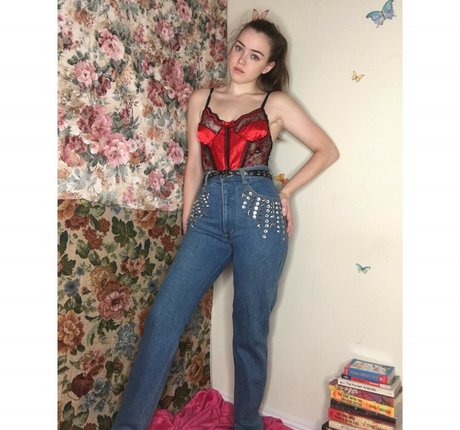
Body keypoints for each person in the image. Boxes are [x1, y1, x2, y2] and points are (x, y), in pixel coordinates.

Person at [113, 16, 339, 430]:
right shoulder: (201, 98)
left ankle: (246, 424)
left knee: (250, 330)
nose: (241, 60)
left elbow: (326, 150)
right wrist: (189, 218)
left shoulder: (276, 103)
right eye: (239, 48)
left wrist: (286, 193)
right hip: (207, 213)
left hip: (259, 214)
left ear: (268, 65)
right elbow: (194, 166)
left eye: (254, 56)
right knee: (163, 317)